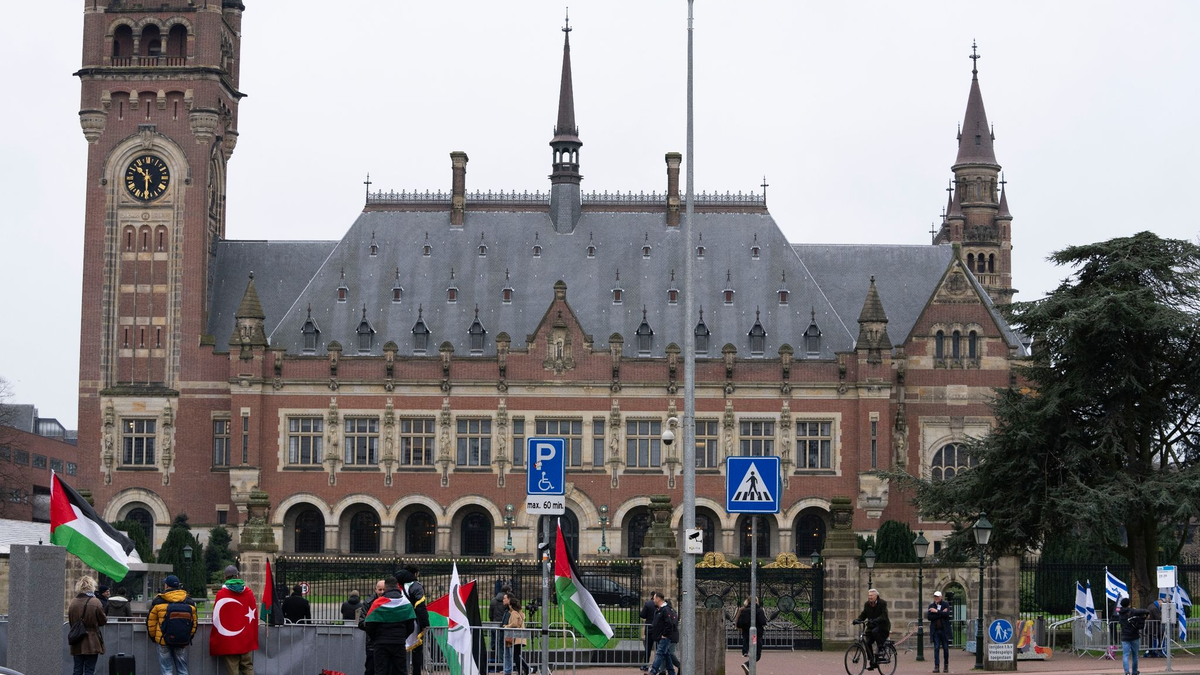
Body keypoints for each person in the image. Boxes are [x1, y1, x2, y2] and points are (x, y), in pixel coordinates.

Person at [209, 565, 258, 675]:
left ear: (225, 577)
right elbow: (254, 615)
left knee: (232, 669)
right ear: (237, 576)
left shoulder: (221, 594)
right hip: (245, 638)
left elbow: (216, 618)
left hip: (229, 640)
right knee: (247, 667)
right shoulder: (249, 592)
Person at [364, 577, 417, 675]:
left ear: (386, 587)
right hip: (399, 643)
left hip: (381, 643)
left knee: (380, 671)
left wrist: (376, 638)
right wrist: (402, 637)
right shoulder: (405, 603)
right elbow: (411, 626)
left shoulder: (377, 603)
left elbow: (369, 625)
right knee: (400, 671)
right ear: (397, 586)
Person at [147, 574, 197, 675]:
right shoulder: (188, 601)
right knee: (182, 670)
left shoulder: (158, 601)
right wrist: (188, 637)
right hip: (182, 640)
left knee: (166, 670)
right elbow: (194, 624)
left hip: (162, 640)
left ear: (166, 586)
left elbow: (151, 622)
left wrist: (154, 638)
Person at [68, 575, 107, 675]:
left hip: (77, 639)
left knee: (77, 669)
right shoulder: (95, 602)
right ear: (92, 586)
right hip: (92, 640)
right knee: (89, 670)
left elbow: (71, 622)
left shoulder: (73, 602)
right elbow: (103, 621)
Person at [396, 565, 430, 675]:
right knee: (417, 650)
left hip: (398, 621)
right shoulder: (416, 586)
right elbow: (420, 606)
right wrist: (425, 623)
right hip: (413, 621)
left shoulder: (397, 586)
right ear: (415, 574)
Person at [855, 589, 891, 671]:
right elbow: (864, 614)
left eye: (871, 595)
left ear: (876, 596)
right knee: (867, 643)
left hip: (882, 627)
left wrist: (876, 620)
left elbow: (884, 616)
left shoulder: (882, 603)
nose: (870, 597)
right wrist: (857, 620)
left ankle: (881, 647)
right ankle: (872, 661)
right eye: (869, 596)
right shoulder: (867, 604)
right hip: (871, 627)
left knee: (875, 631)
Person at [648, 592, 680, 675]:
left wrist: (664, 634)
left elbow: (669, 623)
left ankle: (653, 671)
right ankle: (671, 672)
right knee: (666, 654)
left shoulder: (665, 609)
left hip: (665, 637)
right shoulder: (659, 609)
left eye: (654, 598)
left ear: (658, 599)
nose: (653, 600)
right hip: (661, 636)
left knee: (659, 653)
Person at [1117, 597, 1151, 675]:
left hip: (1125, 636)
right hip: (1134, 635)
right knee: (1135, 655)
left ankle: (1127, 672)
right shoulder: (1132, 611)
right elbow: (1144, 611)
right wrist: (1147, 614)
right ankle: (1134, 672)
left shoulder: (1120, 613)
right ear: (1129, 604)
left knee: (1125, 655)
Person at [359, 580, 387, 675]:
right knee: (371, 669)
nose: (382, 592)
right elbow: (361, 622)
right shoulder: (368, 602)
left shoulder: (391, 601)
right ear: (375, 590)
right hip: (372, 643)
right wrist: (374, 625)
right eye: (380, 589)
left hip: (387, 643)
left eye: (384, 589)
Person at [734, 597, 766, 675]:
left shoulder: (743, 610)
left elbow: (738, 624)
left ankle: (749, 669)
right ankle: (747, 664)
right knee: (757, 655)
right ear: (756, 602)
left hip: (746, 635)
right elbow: (763, 622)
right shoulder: (759, 610)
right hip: (756, 635)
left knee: (751, 652)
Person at [926, 590, 952, 673]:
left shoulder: (945, 604)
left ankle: (946, 665)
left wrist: (936, 611)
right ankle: (936, 666)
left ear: (941, 597)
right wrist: (940, 613)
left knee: (946, 648)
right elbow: (929, 617)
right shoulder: (931, 606)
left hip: (944, 630)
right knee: (936, 648)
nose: (936, 598)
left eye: (937, 597)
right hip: (936, 631)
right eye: (935, 597)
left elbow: (947, 614)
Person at [502, 595, 527, 675]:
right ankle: (522, 670)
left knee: (516, 655)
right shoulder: (520, 612)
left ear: (511, 605)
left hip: (517, 637)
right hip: (520, 636)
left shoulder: (514, 613)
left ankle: (525, 669)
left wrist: (507, 626)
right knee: (517, 655)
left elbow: (515, 624)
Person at [490, 584, 512, 671]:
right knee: (504, 645)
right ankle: (503, 664)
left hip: (494, 625)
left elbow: (490, 615)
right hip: (504, 625)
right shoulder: (507, 601)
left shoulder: (493, 601)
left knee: (497, 644)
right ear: (507, 592)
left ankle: (499, 663)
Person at [640, 597, 657, 671]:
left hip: (649, 629)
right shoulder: (660, 604)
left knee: (648, 648)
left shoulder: (648, 604)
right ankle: (658, 666)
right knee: (659, 649)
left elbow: (642, 615)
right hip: (658, 630)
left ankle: (646, 665)